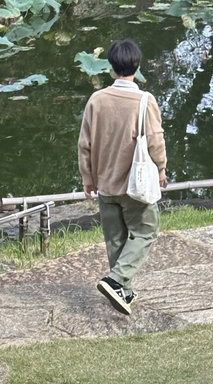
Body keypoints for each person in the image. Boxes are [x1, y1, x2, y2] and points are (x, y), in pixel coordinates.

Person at [78, 38, 168, 315]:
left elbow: (85, 143)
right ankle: (116, 280)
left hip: (105, 182)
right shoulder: (144, 100)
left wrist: (88, 178)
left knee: (115, 239)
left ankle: (123, 293)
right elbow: (155, 141)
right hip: (135, 185)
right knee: (145, 231)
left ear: (111, 66)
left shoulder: (97, 100)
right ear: (137, 65)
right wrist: (162, 169)